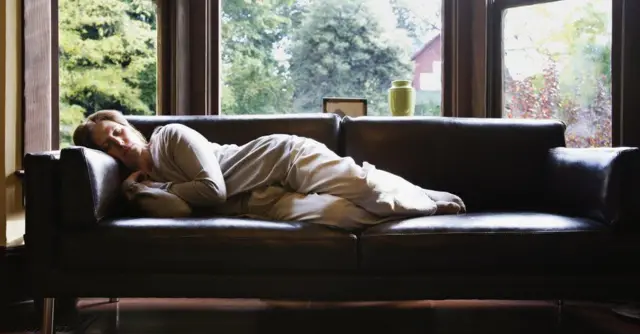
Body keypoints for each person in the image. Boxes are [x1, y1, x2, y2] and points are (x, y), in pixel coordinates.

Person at [72, 110, 466, 230]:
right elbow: (181, 211)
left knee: (366, 188)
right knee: (346, 216)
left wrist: (164, 189)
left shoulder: (171, 136)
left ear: (127, 125)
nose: (118, 143)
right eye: (107, 145)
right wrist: (136, 193)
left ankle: (425, 198)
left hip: (283, 159)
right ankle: (415, 199)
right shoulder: (147, 183)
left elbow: (212, 192)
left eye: (117, 132)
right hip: (264, 203)